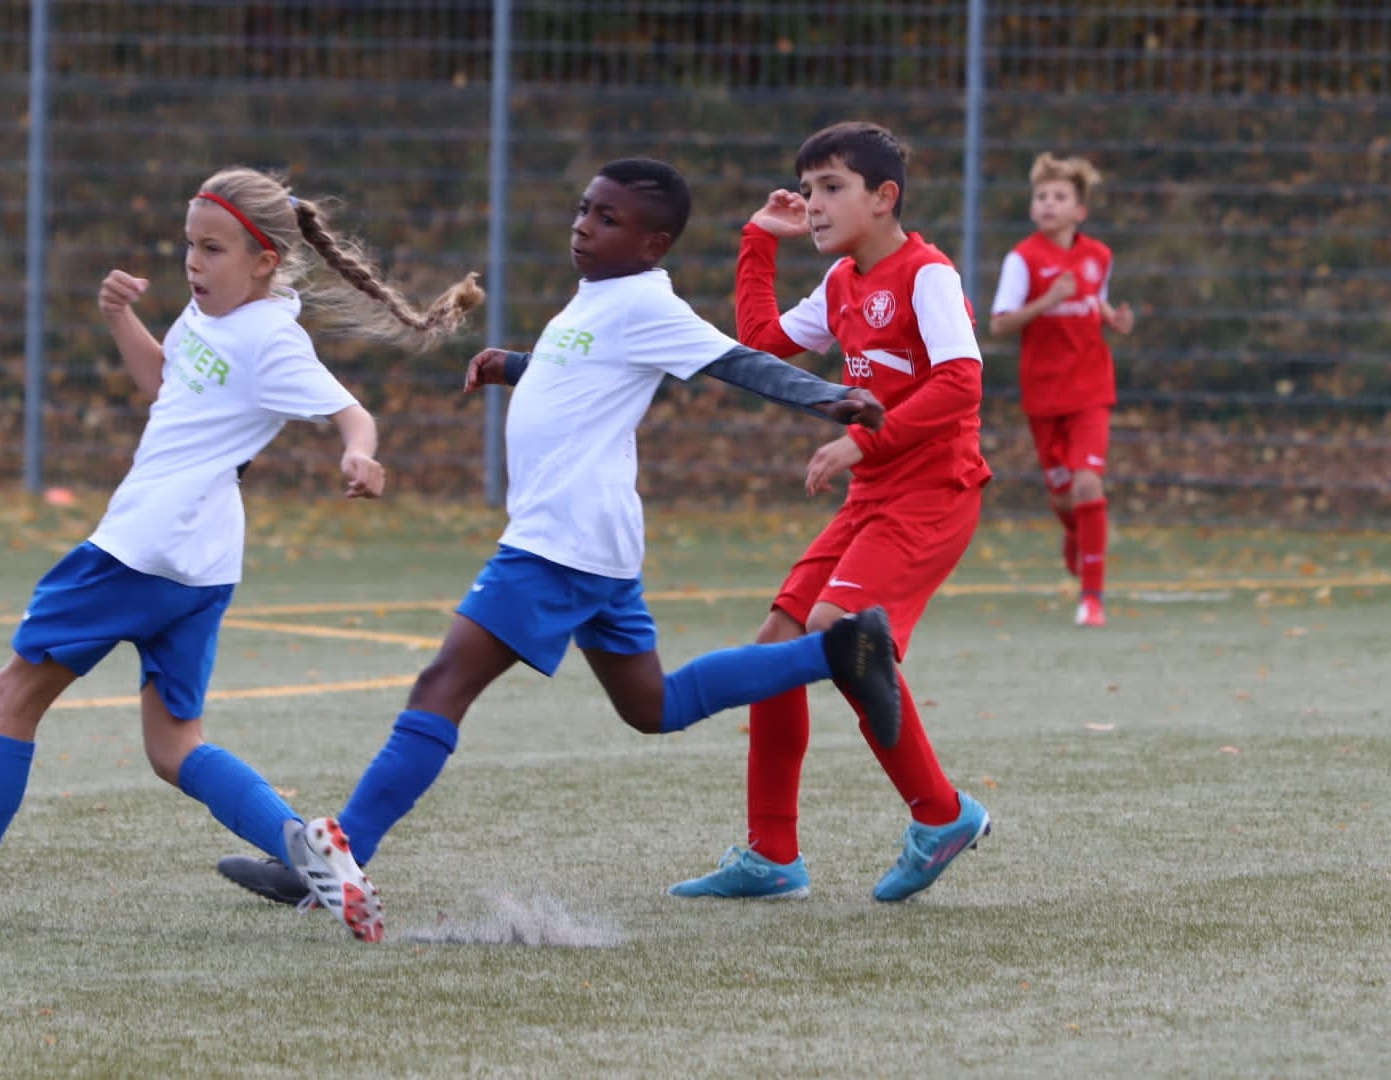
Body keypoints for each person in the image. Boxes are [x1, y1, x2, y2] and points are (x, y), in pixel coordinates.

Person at [212, 157, 903, 928]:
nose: (584, 226)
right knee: (653, 705)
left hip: (559, 541)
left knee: (443, 684)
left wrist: (830, 397)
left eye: (608, 219)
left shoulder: (646, 302)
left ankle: (335, 859)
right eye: (583, 209)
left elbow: (733, 361)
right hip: (591, 541)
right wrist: (515, 365)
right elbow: (589, 370)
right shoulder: (600, 296)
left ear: (653, 245)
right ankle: (838, 652)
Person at [0, 167, 483, 941]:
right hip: (201, 565)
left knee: (14, 695)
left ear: (264, 262)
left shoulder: (271, 339)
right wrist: (121, 317)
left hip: (140, 547)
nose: (192, 262)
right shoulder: (208, 312)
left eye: (212, 250)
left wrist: (360, 453)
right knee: (173, 745)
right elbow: (164, 381)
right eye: (190, 244)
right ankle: (306, 847)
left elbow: (351, 413)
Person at [667, 121, 993, 904]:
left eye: (831, 188)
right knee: (776, 648)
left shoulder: (927, 275)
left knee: (836, 632)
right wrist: (758, 240)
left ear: (885, 197)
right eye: (807, 188)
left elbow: (961, 384)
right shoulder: (842, 282)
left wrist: (862, 438)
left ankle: (941, 814)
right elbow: (760, 344)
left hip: (935, 493)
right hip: (874, 497)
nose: (812, 203)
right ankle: (772, 856)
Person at [988, 152, 1135, 628]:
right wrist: (1047, 300)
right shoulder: (1022, 260)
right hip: (1044, 393)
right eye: (1041, 196)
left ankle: (1092, 599)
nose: (1048, 203)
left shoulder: (1099, 256)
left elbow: (1096, 301)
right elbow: (999, 324)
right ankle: (1075, 532)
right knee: (1065, 497)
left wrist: (1113, 319)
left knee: (1088, 482)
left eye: (1059, 196)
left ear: (1080, 210)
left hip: (1091, 387)